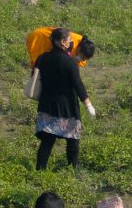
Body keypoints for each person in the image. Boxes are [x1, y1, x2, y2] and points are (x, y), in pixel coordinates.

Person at [33, 27, 96, 172]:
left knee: (47, 141)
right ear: (63, 42)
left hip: (47, 104)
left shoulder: (42, 58)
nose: (72, 42)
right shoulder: (70, 62)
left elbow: (35, 75)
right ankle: (72, 170)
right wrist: (88, 104)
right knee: (73, 141)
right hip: (66, 106)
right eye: (69, 40)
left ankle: (40, 171)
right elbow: (78, 84)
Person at [26, 26, 95, 68]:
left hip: (43, 39)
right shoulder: (70, 44)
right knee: (39, 65)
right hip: (38, 38)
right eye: (82, 57)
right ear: (79, 49)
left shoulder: (82, 44)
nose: (81, 60)